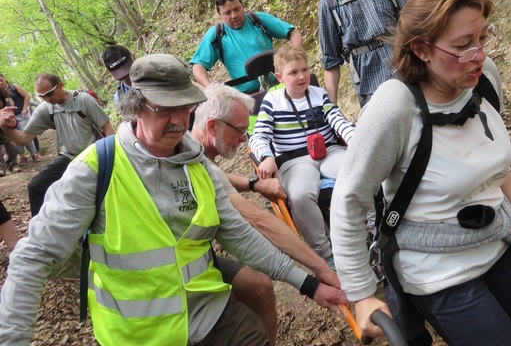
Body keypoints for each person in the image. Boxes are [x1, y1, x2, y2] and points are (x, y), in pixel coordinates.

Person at [330, 0, 511, 346]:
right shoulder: (394, 107)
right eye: (462, 45)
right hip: (437, 271)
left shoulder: (482, 79)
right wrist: (362, 294)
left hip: (498, 242)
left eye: (482, 39)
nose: (479, 54)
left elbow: (491, 162)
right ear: (421, 50)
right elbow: (348, 201)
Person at [0, 54, 345, 346]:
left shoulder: (196, 164)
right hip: (137, 334)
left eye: (185, 108)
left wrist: (309, 283)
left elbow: (238, 232)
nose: (179, 121)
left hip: (207, 313)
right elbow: (33, 257)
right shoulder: (93, 170)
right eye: (166, 109)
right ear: (137, 107)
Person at [191, 82, 344, 344]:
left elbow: (219, 179)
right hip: (176, 272)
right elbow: (259, 221)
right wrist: (319, 270)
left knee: (260, 287)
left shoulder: (195, 150)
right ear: (212, 126)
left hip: (196, 253)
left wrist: (254, 183)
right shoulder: (193, 162)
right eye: (239, 130)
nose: (244, 138)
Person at [249, 45, 355, 266]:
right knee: (299, 195)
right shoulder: (272, 101)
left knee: (358, 170)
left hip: (328, 151)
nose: (301, 76)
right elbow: (258, 137)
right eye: (293, 72)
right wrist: (267, 156)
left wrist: (356, 141)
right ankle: (326, 252)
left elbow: (338, 120)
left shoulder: (319, 94)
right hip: (294, 160)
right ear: (279, 77)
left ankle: (369, 230)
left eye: (305, 70)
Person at [0, 73, 115, 216]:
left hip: (94, 155)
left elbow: (108, 130)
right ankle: (44, 231)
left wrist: (111, 161)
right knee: (36, 186)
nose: (47, 99)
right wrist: (6, 128)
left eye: (49, 94)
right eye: (42, 97)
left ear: (60, 85)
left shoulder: (83, 100)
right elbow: (24, 139)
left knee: (91, 195)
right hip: (69, 157)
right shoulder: (46, 108)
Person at [190, 0, 303, 93]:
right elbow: (198, 66)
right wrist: (210, 89)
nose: (234, 15)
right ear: (219, 14)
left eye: (237, 9)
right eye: (227, 13)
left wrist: (295, 58)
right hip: (247, 97)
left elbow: (293, 32)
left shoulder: (259, 20)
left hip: (278, 86)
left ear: (242, 5)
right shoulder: (217, 34)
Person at [0, 74, 39, 163]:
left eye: (1, 80)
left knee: (24, 132)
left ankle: (34, 153)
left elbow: (27, 96)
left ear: (5, 79)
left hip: (20, 114)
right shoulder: (1, 91)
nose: (0, 82)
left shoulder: (13, 87)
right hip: (8, 117)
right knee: (14, 136)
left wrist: (25, 108)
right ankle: (22, 156)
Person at [0, 87, 20, 176]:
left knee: (10, 144)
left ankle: (13, 165)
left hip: (4, 117)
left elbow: (9, 97)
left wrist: (10, 110)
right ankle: (1, 167)